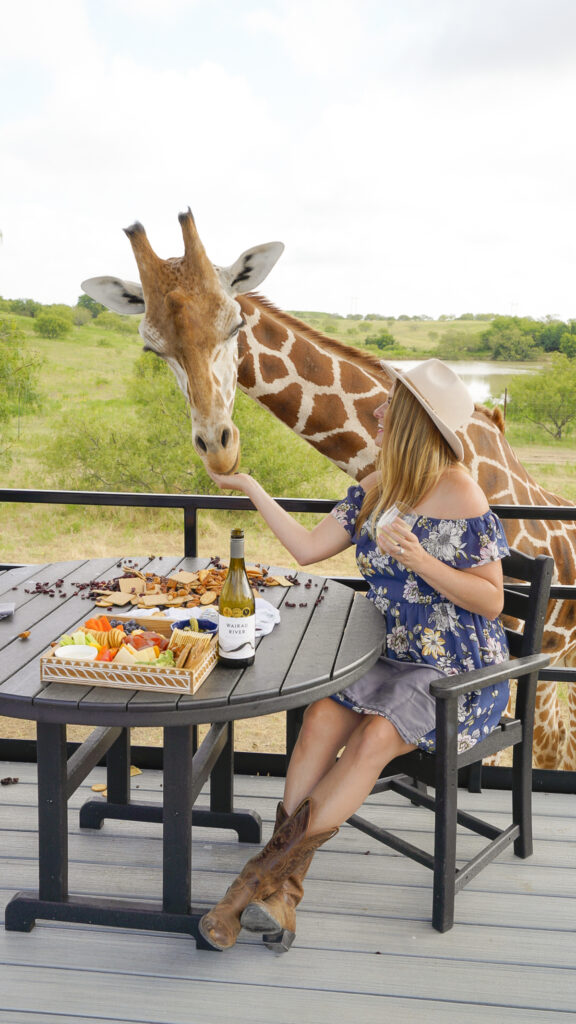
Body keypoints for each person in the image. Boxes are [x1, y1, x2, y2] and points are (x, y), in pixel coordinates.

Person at [198, 358, 510, 952]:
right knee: (319, 719)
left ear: (418, 420)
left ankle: (245, 892)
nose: (378, 411)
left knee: (370, 739)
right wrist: (252, 487)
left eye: (393, 404)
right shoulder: (377, 486)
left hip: (457, 670)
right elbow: (309, 549)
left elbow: (492, 602)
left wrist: (423, 561)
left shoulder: (460, 490)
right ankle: (280, 895)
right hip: (391, 657)